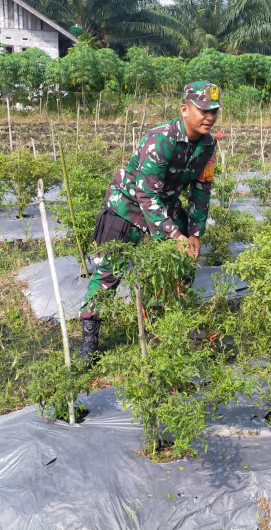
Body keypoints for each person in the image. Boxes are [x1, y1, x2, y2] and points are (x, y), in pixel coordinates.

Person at [77, 81, 221, 360]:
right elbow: (146, 193)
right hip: (128, 204)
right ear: (184, 109)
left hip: (164, 204)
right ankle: (89, 339)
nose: (210, 117)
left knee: (181, 263)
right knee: (109, 269)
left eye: (214, 111)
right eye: (203, 110)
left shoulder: (208, 146)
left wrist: (194, 234)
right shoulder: (161, 139)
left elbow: (202, 190)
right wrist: (174, 235)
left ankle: (176, 325)